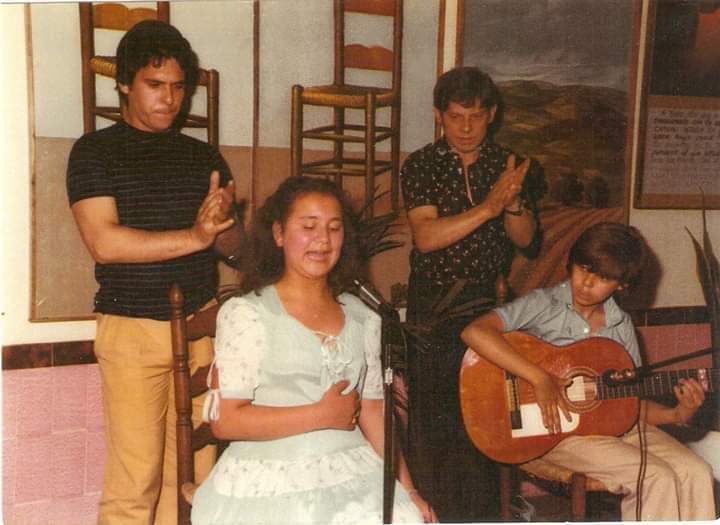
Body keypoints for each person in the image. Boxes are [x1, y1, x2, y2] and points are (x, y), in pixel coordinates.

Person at [66, 20, 244, 525]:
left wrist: (225, 224)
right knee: (135, 485)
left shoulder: (203, 156)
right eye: (154, 84)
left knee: (194, 482)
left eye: (178, 87)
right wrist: (195, 236)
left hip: (201, 328)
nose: (169, 99)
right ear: (124, 82)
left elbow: (236, 252)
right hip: (132, 330)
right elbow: (105, 243)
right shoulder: (94, 151)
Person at [191, 177, 435, 524]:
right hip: (268, 478)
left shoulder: (364, 317)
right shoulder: (247, 314)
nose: (323, 240)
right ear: (279, 234)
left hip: (351, 470)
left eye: (334, 228)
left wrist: (408, 491)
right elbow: (225, 422)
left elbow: (373, 412)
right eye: (308, 227)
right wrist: (320, 415)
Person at [461, 222, 716, 521]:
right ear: (571, 262)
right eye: (584, 268)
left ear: (622, 285)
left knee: (696, 471)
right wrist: (539, 378)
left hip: (614, 431)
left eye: (603, 277)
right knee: (654, 476)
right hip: (554, 433)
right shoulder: (543, 304)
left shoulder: (621, 326)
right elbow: (475, 332)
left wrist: (677, 414)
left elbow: (629, 405)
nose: (586, 283)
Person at [400, 66, 545, 521]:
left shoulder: (507, 164)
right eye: (456, 117)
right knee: (435, 427)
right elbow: (426, 237)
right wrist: (488, 208)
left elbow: (526, 240)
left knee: (485, 421)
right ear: (438, 115)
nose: (466, 128)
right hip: (433, 309)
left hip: (486, 308)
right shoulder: (421, 164)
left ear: (492, 115)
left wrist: (514, 202)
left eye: (476, 117)